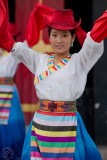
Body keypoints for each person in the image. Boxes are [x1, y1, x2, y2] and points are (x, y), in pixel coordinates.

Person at [0, 1, 107, 159]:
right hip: (41, 125)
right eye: (55, 35)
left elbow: (95, 37)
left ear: (72, 38)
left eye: (64, 35)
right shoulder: (39, 60)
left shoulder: (80, 61)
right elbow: (11, 45)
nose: (59, 40)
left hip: (67, 125)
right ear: (49, 37)